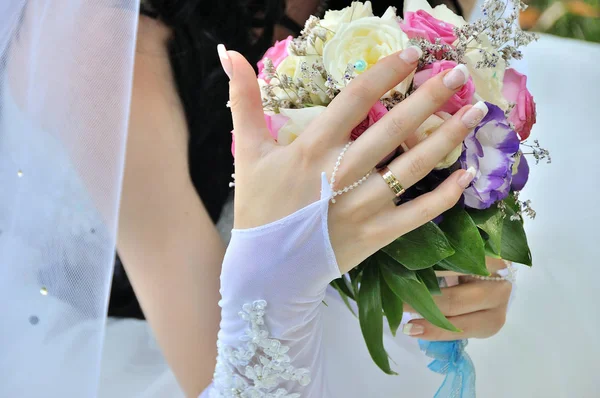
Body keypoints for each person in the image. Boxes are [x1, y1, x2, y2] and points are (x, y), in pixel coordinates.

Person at [0, 1, 513, 397]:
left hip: (345, 305)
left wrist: (469, 270)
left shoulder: (450, 11)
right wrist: (276, 256)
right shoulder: (100, 45)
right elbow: (226, 372)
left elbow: (479, 162)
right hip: (190, 334)